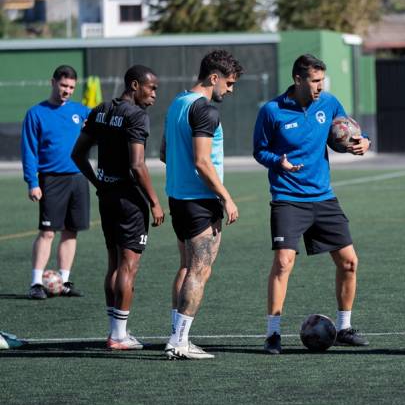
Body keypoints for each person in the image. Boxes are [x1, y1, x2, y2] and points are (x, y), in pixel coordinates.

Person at [253, 54, 371, 355]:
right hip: (288, 199)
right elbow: (259, 150)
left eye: (322, 80)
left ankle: (344, 328)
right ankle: (273, 334)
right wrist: (278, 161)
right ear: (298, 79)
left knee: (349, 262)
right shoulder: (271, 111)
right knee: (283, 263)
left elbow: (344, 132)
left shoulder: (329, 103)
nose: (320, 86)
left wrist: (362, 141)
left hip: (323, 197)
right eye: (315, 81)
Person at [71, 65, 164, 350]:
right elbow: (137, 165)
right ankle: (119, 336)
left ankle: (115, 331)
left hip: (107, 196)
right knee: (128, 265)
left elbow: (77, 154)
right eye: (151, 88)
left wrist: (97, 182)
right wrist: (155, 202)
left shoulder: (100, 109)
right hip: (129, 200)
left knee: (114, 262)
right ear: (135, 85)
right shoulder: (137, 116)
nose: (155, 94)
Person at [161, 50, 242, 360]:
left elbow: (165, 152)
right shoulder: (205, 110)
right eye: (229, 83)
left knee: (186, 267)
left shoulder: (177, 102)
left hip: (178, 198)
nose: (230, 90)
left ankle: (176, 336)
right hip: (200, 201)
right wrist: (226, 197)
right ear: (214, 77)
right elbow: (202, 161)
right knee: (199, 270)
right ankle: (179, 342)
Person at [21, 65, 90, 300]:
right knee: (48, 232)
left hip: (78, 178)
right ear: (53, 83)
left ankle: (64, 280)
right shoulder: (36, 113)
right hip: (51, 179)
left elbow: (102, 126)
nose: (67, 91)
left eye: (71, 87)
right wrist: (32, 182)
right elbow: (29, 150)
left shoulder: (81, 111)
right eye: (63, 85)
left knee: (71, 231)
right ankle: (36, 283)